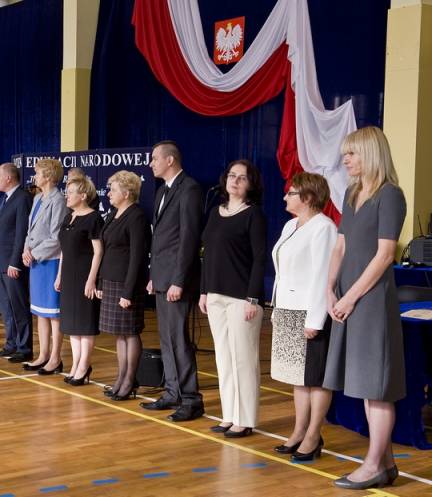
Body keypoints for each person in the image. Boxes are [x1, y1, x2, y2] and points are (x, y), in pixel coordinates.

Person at [324, 127, 406, 490]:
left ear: (371, 154)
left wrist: (351, 296)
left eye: (352, 153)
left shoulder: (391, 196)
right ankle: (386, 464)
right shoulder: (351, 193)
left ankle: (373, 465)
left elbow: (385, 255)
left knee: (377, 386)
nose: (345, 159)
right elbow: (340, 246)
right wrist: (329, 288)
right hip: (348, 298)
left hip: (371, 301)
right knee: (365, 383)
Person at [269, 172, 337, 462]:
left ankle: (313, 435)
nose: (285, 197)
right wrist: (276, 307)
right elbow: (282, 271)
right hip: (287, 308)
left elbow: (323, 276)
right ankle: (298, 431)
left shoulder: (324, 228)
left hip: (309, 313)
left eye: (291, 193)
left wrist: (315, 320)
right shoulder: (290, 225)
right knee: (297, 377)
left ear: (308, 197)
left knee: (316, 379)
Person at [199, 160, 267, 438]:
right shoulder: (215, 212)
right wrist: (204, 291)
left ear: (251, 184)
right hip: (215, 294)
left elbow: (260, 259)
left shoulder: (254, 215)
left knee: (243, 360)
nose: (235, 180)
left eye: (242, 177)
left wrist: (253, 297)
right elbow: (207, 255)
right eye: (232, 175)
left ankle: (245, 418)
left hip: (242, 298)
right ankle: (229, 415)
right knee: (224, 358)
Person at [141, 141, 205, 422]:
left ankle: (191, 398)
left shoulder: (189, 188)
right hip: (162, 276)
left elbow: (188, 239)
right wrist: (154, 276)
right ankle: (172, 392)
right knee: (166, 338)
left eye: (155, 158)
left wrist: (179, 280)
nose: (151, 163)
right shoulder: (161, 191)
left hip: (177, 279)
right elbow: (160, 239)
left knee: (179, 339)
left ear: (170, 160)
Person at [98, 171, 151, 401]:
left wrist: (128, 291)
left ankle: (130, 380)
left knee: (130, 332)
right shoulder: (113, 214)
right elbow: (106, 250)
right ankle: (121, 377)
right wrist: (100, 281)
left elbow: (138, 257)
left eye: (113, 190)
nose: (109, 193)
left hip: (127, 284)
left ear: (127, 193)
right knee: (119, 333)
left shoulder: (136, 216)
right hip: (111, 281)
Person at [55, 176, 103, 385]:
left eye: (71, 192)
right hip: (68, 276)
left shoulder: (94, 218)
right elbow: (64, 250)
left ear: (83, 196)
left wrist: (92, 280)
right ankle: (75, 364)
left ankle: (84, 365)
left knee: (85, 322)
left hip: (85, 275)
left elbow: (98, 252)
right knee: (72, 324)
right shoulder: (68, 217)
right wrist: (59, 275)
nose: (67, 195)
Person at [23, 159, 68, 374]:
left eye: (38, 173)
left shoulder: (58, 200)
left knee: (53, 313)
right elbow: (30, 231)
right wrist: (26, 250)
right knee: (40, 312)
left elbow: (56, 237)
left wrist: (34, 253)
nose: (35, 177)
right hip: (35, 261)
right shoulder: (37, 198)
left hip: (50, 261)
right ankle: (42, 355)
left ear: (49, 176)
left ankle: (55, 358)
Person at [0, 163, 34, 362]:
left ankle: (24, 348)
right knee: (7, 307)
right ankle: (11, 344)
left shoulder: (23, 198)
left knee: (18, 306)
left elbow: (21, 233)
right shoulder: (4, 199)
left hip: (12, 263)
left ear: (9, 178)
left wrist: (15, 262)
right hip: (0, 262)